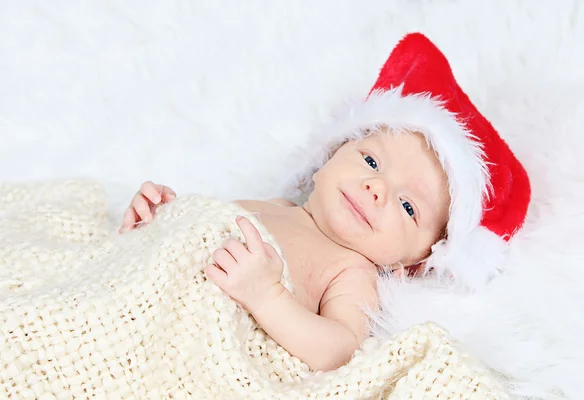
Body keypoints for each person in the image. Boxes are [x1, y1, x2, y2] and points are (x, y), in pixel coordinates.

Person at [118, 33, 531, 372]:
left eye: (408, 206)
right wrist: (157, 219)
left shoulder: (351, 271)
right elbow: (193, 242)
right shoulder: (275, 204)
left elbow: (337, 349)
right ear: (328, 158)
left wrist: (266, 296)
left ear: (415, 262)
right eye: (371, 161)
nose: (377, 189)